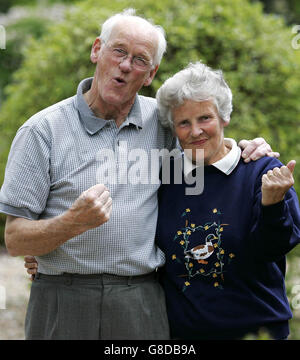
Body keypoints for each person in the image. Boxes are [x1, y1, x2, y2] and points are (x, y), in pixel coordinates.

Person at [1, 9, 277, 340]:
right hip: (62, 296)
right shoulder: (41, 131)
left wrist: (249, 148)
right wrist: (70, 223)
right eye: (118, 51)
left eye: (140, 60)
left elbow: (206, 149)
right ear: (96, 51)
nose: (126, 65)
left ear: (150, 74)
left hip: (141, 299)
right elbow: (15, 239)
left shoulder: (163, 122)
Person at [155, 61, 300, 340]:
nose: (195, 131)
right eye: (184, 122)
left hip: (257, 332)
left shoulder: (262, 171)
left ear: (224, 117)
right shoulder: (166, 179)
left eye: (204, 118)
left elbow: (276, 247)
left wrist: (272, 206)